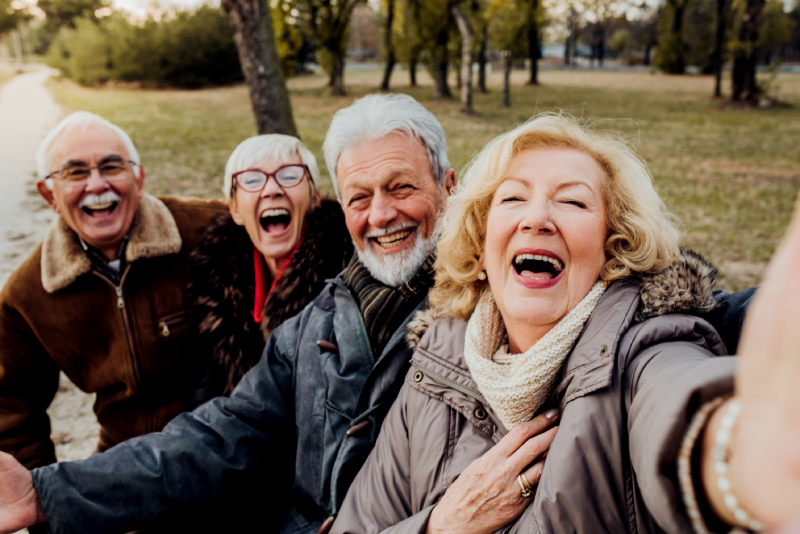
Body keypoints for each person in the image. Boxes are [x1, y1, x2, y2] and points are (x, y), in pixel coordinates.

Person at [0, 98, 760, 534]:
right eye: (359, 197)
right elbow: (219, 435)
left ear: (451, 184)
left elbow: (680, 340)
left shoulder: (499, 301)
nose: (381, 214)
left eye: (401, 188)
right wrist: (49, 493)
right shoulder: (320, 318)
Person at [330, 113, 800, 534]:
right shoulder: (437, 356)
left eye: (573, 203)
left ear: (613, 247)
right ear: (480, 243)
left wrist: (741, 450)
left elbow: (684, 413)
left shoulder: (647, 346)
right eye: (513, 198)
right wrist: (442, 525)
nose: (537, 218)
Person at [0, 111, 224, 468]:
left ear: (138, 177)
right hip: (126, 465)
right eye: (75, 173)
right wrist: (47, 503)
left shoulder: (209, 230)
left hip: (227, 449)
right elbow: (11, 412)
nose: (97, 185)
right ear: (49, 194)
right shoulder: (25, 297)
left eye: (112, 167)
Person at [189, 134, 352, 406]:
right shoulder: (217, 284)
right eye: (252, 180)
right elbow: (210, 391)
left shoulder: (348, 274)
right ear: (235, 210)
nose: (271, 189)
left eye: (289, 176)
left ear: (315, 197)